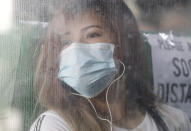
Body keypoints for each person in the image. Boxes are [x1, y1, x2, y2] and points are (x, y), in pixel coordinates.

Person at [30, 0, 191, 131]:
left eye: (92, 34)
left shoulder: (172, 121)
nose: (76, 48)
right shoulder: (55, 125)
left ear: (123, 44)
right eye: (66, 42)